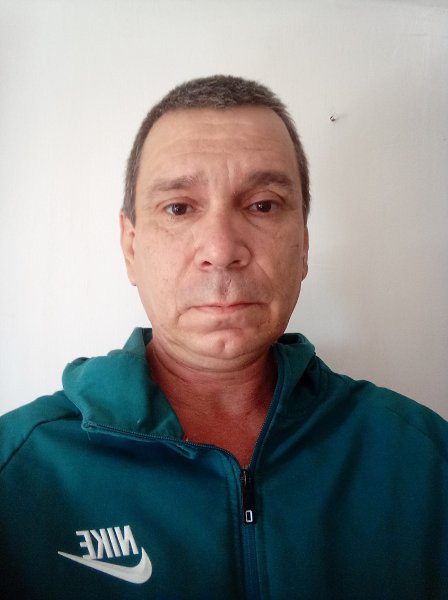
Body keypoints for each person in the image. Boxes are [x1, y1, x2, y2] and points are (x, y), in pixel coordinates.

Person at [0, 75, 447, 600]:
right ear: (131, 247)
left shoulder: (423, 460)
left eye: (263, 205)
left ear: (304, 245)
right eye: (179, 207)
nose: (221, 249)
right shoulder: (18, 471)